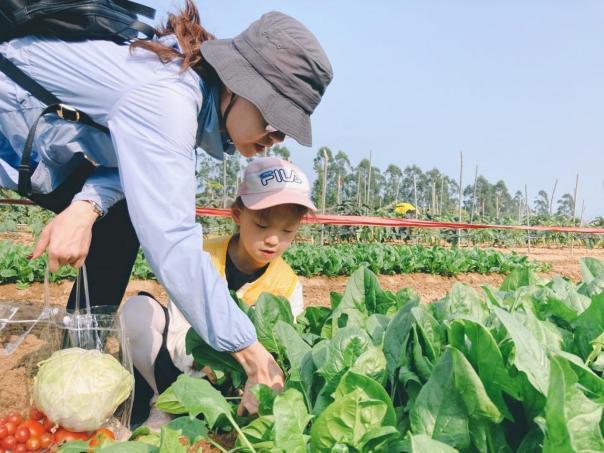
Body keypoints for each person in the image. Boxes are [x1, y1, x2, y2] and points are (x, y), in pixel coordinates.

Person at [0, 0, 333, 414]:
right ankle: (78, 359)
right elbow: (172, 242)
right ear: (238, 83)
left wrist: (86, 206)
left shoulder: (185, 95)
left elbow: (128, 162)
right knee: (128, 224)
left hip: (28, 136)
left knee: (119, 220)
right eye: (273, 115)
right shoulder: (170, 102)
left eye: (286, 127)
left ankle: (77, 360)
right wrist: (249, 351)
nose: (276, 136)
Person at [121, 156, 314, 427]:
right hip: (181, 370)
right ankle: (161, 403)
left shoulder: (288, 284)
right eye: (261, 225)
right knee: (137, 312)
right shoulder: (201, 256)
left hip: (240, 387)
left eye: (287, 230)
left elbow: (284, 351)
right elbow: (178, 332)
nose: (273, 239)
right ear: (238, 215)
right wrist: (204, 361)